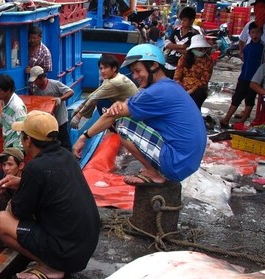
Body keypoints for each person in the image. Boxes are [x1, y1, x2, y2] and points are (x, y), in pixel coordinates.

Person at [73, 44, 206, 186]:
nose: (135, 76)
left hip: (176, 162)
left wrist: (83, 137)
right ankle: (156, 169)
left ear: (154, 66)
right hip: (187, 160)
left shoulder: (154, 92)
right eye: (133, 72)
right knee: (126, 115)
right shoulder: (168, 85)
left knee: (123, 124)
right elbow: (132, 102)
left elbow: (111, 116)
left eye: (138, 71)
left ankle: (153, 174)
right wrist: (122, 104)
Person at [0, 111, 100, 279]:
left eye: (22, 136)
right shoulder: (66, 155)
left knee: (1, 221)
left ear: (27, 140)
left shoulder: (35, 167)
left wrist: (18, 191)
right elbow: (52, 185)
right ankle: (53, 262)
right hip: (83, 246)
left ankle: (50, 267)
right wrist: (22, 183)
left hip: (67, 253)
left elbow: (20, 211)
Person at [70, 54, 138, 128]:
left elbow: (94, 98)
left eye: (105, 68)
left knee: (101, 102)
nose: (102, 71)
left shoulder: (114, 82)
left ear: (114, 68)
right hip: (128, 108)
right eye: (101, 68)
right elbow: (95, 93)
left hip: (133, 116)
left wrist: (78, 116)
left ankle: (112, 127)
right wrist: (79, 108)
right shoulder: (114, 77)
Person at [219, 23, 265, 127]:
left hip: (254, 79)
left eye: (257, 32)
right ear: (249, 34)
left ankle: (242, 121)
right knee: (237, 98)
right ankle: (226, 118)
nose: (255, 34)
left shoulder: (263, 48)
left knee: (249, 99)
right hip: (243, 76)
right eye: (253, 32)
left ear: (262, 33)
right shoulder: (247, 47)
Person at [28, 65, 74, 148]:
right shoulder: (37, 91)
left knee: (65, 142)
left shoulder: (55, 84)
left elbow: (70, 92)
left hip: (60, 120)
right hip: (49, 123)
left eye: (36, 80)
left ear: (41, 77)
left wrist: (60, 99)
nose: (35, 83)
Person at [0, 73, 27, 150]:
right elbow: (3, 116)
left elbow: (23, 129)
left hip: (14, 147)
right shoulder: (5, 101)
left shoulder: (17, 107)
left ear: (8, 90)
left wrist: (15, 152)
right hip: (8, 143)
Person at [174, 34, 215, 109]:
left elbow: (204, 81)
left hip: (197, 90)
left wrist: (190, 91)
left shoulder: (208, 61)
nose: (202, 51)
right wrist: (180, 87)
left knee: (196, 101)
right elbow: (177, 75)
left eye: (204, 49)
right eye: (200, 49)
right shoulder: (184, 58)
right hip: (182, 87)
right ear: (193, 49)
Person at [163, 6, 199, 78]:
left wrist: (173, 46)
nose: (182, 22)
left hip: (183, 67)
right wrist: (182, 47)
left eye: (185, 20)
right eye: (181, 20)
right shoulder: (176, 31)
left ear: (191, 21)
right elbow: (167, 44)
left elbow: (189, 52)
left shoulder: (194, 34)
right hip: (168, 63)